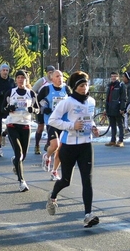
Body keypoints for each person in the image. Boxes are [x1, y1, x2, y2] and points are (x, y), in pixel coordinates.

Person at [46, 71, 100, 228]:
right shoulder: (67, 102)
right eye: (81, 86)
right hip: (69, 145)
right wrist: (71, 126)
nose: (84, 88)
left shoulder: (91, 101)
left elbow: (90, 120)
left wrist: (94, 128)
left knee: (87, 181)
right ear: (75, 87)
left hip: (86, 145)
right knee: (66, 181)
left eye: (86, 85)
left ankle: (88, 215)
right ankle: (53, 196)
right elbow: (52, 120)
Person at [2, 70, 39, 192]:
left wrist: (32, 109)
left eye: (23, 77)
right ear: (16, 80)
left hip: (25, 126)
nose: (20, 79)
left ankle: (15, 161)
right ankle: (21, 181)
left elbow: (38, 109)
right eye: (18, 77)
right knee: (19, 153)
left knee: (23, 156)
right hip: (12, 125)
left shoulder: (31, 93)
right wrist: (9, 108)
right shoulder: (10, 93)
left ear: (26, 79)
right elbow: (2, 109)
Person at [37, 69, 68, 180]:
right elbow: (38, 100)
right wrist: (44, 107)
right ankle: (47, 156)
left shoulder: (66, 89)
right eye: (57, 76)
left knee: (61, 148)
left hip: (64, 122)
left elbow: (72, 102)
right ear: (52, 78)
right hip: (52, 121)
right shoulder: (46, 89)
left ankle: (54, 171)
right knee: (54, 145)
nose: (60, 78)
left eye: (61, 76)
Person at [32, 65, 55, 154]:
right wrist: (40, 105)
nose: (51, 74)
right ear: (47, 73)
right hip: (41, 107)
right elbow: (32, 92)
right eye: (50, 73)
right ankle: (37, 145)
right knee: (41, 127)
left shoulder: (56, 81)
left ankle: (48, 144)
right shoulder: (42, 81)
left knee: (52, 127)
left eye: (53, 72)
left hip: (52, 109)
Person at [104, 71, 126, 147]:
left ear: (118, 77)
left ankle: (121, 140)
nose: (113, 77)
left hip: (117, 108)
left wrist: (122, 108)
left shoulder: (121, 85)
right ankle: (113, 140)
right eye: (112, 76)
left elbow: (123, 98)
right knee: (112, 125)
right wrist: (106, 108)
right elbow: (107, 98)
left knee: (120, 124)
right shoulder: (109, 86)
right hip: (110, 108)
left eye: (115, 76)